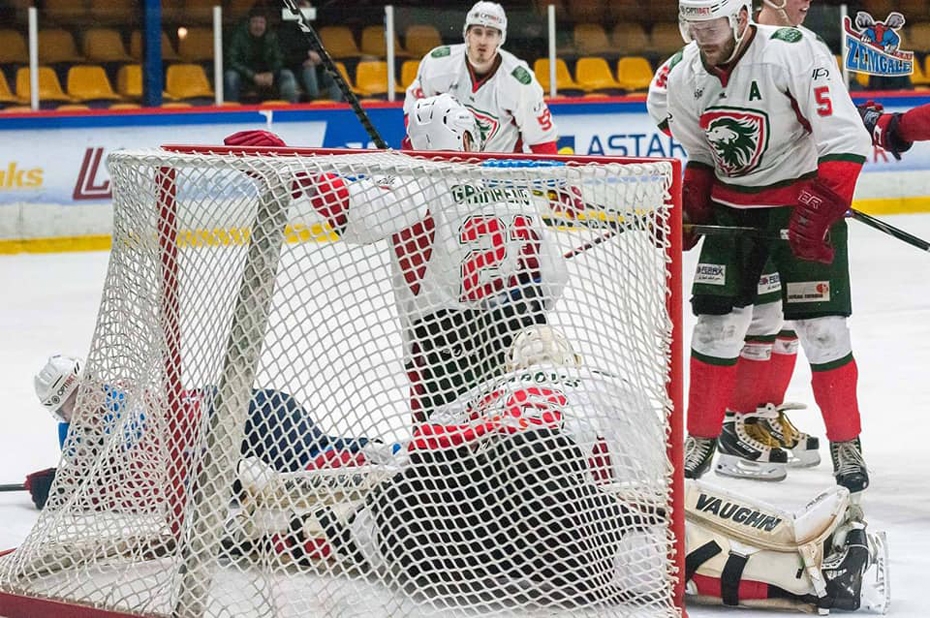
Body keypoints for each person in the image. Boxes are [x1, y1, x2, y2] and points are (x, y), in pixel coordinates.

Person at [235, 326, 889, 613]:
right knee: (650, 547)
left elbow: (410, 469)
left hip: (437, 537)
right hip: (551, 516)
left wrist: (296, 491)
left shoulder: (479, 393)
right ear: (570, 358)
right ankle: (801, 567)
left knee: (373, 520)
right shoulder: (603, 385)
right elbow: (657, 491)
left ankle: (253, 532)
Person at [224, 93, 569, 422]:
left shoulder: (418, 181)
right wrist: (508, 298)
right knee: (510, 435)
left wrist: (303, 172)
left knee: (442, 449)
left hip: (443, 345)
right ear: (463, 136)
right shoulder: (511, 185)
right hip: (518, 333)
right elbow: (554, 275)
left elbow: (360, 213)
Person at [646, 0, 872, 497]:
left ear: (741, 18)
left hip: (798, 203)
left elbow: (844, 137)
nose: (703, 37)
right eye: (695, 27)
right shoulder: (682, 74)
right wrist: (693, 204)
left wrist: (823, 202)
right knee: (716, 325)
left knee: (823, 329)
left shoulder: (793, 51)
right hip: (734, 213)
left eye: (713, 26)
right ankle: (701, 438)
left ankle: (846, 444)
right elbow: (701, 153)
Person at [25, 354, 369, 510]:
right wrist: (67, 481)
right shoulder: (81, 433)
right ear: (60, 414)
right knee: (317, 451)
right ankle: (376, 452)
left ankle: (372, 464)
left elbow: (149, 488)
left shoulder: (125, 404)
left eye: (83, 391)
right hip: (238, 425)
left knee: (309, 468)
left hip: (248, 417)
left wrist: (68, 488)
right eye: (71, 404)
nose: (84, 405)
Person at [402, 1, 558, 154]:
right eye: (477, 32)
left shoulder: (519, 82)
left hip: (500, 168)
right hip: (447, 165)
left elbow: (542, 141)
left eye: (490, 34)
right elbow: (416, 116)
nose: (483, 41)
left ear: (500, 39)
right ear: (467, 34)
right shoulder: (439, 63)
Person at [223, 5, 299, 104]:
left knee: (287, 74)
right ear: (249, 23)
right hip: (245, 76)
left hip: (268, 76)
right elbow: (232, 61)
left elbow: (279, 59)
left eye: (261, 22)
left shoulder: (272, 36)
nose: (258, 26)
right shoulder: (238, 36)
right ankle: (230, 110)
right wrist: (253, 76)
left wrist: (272, 74)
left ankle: (290, 109)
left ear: (266, 24)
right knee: (231, 76)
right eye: (255, 22)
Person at [277, 0, 342, 102]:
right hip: (295, 72)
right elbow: (285, 58)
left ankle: (336, 106)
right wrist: (306, 56)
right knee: (309, 68)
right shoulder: (285, 32)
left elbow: (322, 54)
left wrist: (319, 58)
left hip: (317, 72)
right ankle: (314, 99)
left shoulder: (313, 32)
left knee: (334, 74)